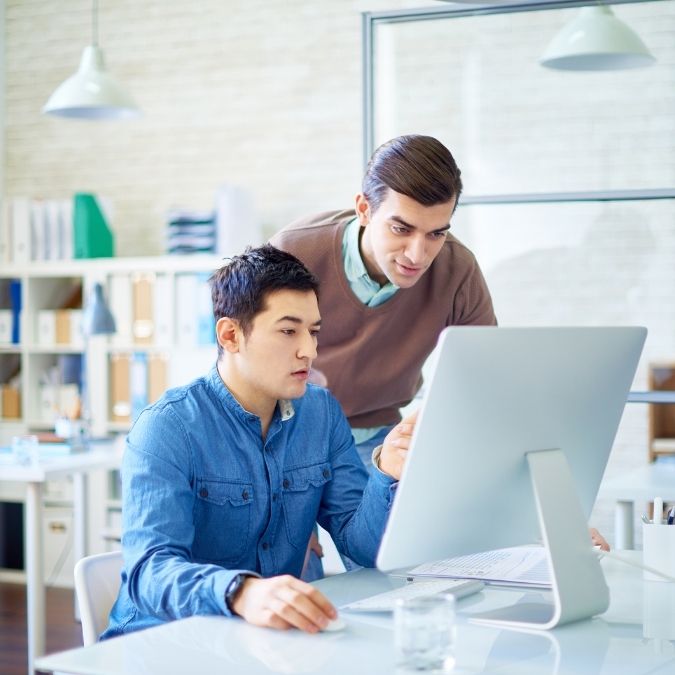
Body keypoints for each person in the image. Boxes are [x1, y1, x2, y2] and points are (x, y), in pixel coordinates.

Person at [101, 245, 414, 638]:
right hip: (159, 641)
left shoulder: (321, 413)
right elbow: (149, 573)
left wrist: (387, 470)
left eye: (313, 331)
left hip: (259, 641)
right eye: (288, 331)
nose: (310, 350)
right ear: (230, 335)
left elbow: (362, 547)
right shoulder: (167, 428)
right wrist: (242, 593)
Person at [270, 134, 497, 467]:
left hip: (380, 439)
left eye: (436, 233)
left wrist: (429, 424)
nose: (418, 255)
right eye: (401, 229)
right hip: (287, 430)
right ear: (364, 209)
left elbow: (485, 370)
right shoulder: (294, 251)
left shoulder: (457, 270)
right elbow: (242, 360)